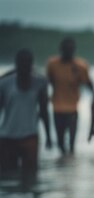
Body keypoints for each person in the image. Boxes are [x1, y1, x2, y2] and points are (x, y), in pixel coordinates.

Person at [0, 49, 51, 177]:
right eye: (22, 63)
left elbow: (44, 111)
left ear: (31, 64)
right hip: (7, 136)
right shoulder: (5, 83)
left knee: (30, 176)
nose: (24, 66)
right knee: (7, 175)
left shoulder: (40, 83)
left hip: (30, 136)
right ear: (16, 64)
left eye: (27, 63)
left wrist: (49, 136)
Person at [46, 37, 94, 155]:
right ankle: (63, 165)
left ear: (74, 50)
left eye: (70, 50)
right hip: (57, 107)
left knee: (72, 143)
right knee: (60, 141)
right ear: (61, 49)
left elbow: (88, 84)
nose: (68, 52)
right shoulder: (52, 64)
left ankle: (70, 162)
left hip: (73, 107)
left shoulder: (80, 66)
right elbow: (47, 82)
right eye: (66, 49)